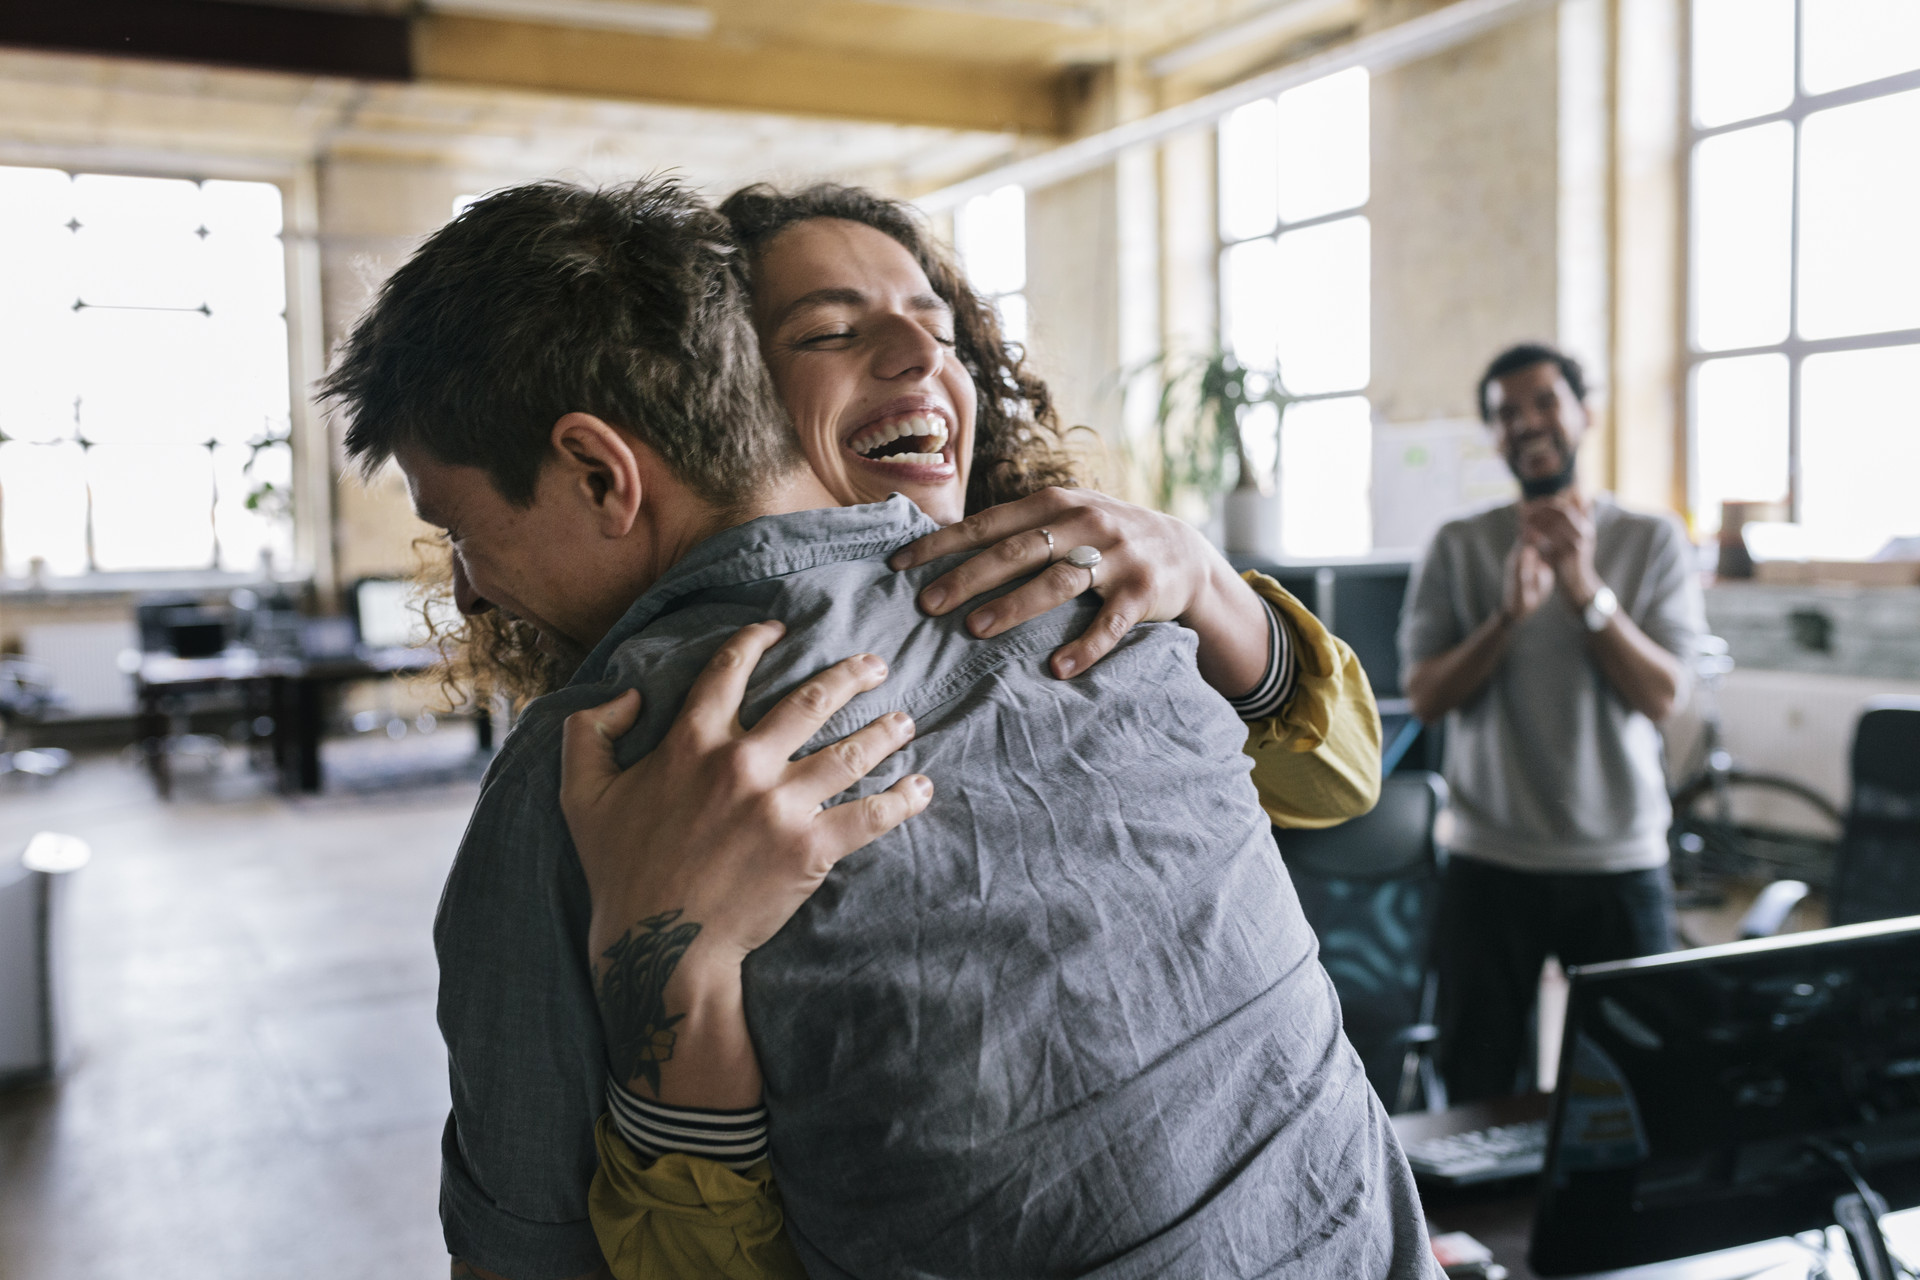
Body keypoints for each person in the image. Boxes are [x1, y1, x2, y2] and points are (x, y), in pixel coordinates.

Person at [323, 179, 1430, 1279]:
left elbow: (529, 1261)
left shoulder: (586, 775)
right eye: (833, 332)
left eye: (940, 327)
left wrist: (1201, 576)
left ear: (604, 467)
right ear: (734, 385)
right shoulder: (1106, 620)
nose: (916, 357)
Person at [1399, 342, 1705, 1104]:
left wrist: (1587, 593)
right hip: (1488, 863)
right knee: (1474, 1091)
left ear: (1583, 414)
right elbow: (1428, 697)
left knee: (1635, 1095)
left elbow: (1664, 697)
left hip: (1618, 865)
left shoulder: (1650, 539)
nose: (1528, 423)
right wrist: (1507, 617)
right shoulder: (1459, 545)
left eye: (1544, 402)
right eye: (1507, 414)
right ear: (1494, 438)